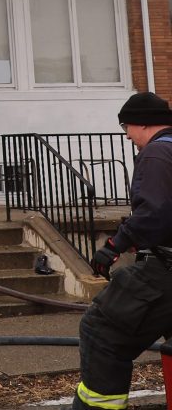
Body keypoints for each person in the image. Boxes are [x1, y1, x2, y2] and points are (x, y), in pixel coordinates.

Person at [74, 91, 172, 409]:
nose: (128, 136)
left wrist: (115, 245)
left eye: (126, 127)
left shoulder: (157, 155)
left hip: (164, 268)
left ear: (142, 123)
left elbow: (154, 214)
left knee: (101, 330)